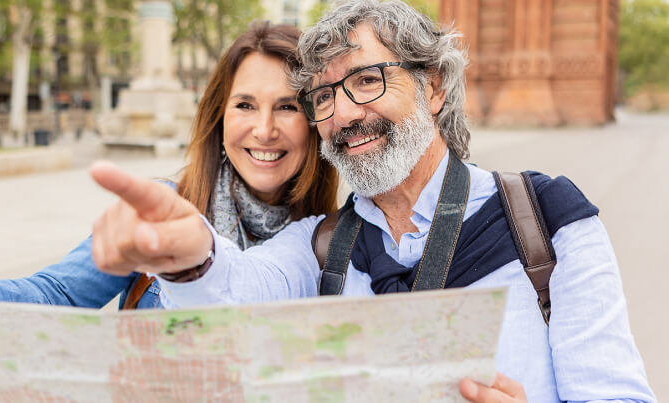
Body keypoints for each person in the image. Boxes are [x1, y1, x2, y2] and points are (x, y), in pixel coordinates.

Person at [86, 1, 656, 402]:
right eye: (325, 96)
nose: (346, 114)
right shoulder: (323, 246)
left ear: (433, 87)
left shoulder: (546, 222)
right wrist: (192, 255)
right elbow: (238, 290)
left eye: (367, 81)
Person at [0, 22, 339, 346]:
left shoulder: (335, 241)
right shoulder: (163, 209)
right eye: (245, 105)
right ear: (218, 116)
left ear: (316, 120)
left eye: (288, 107)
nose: (265, 129)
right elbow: (52, 292)